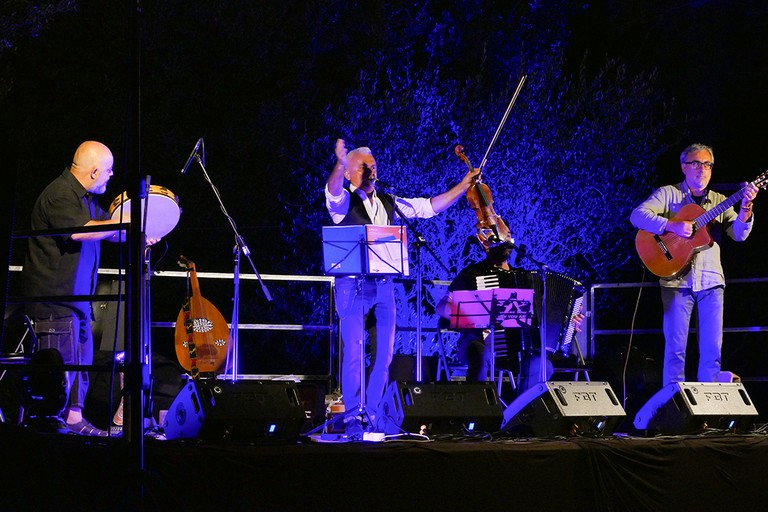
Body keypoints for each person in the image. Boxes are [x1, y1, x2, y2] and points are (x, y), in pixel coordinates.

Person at [325, 138, 479, 435]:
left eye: (373, 165)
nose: (370, 170)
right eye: (362, 166)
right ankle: (353, 416)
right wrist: (340, 162)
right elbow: (331, 192)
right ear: (348, 172)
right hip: (352, 286)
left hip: (384, 286)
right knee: (355, 351)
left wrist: (463, 185)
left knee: (384, 354)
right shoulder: (344, 199)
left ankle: (372, 415)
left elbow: (430, 207)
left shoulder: (390, 201)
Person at [22, 140, 155, 436]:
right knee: (61, 368)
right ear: (94, 172)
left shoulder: (85, 199)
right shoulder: (59, 194)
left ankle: (73, 420)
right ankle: (52, 430)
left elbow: (106, 228)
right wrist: (124, 223)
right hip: (56, 300)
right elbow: (84, 232)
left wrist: (140, 234)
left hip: (77, 301)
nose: (110, 176)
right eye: (108, 171)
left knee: (81, 363)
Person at [630, 143, 759, 386]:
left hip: (711, 282)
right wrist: (672, 226)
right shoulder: (669, 194)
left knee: (712, 352)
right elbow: (637, 216)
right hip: (675, 281)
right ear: (683, 167)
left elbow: (740, 234)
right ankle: (674, 408)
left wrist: (746, 208)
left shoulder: (720, 201)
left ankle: (708, 411)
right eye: (696, 164)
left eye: (707, 164)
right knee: (675, 351)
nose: (703, 169)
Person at [436, 243, 584, 388]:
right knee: (481, 354)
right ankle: (477, 409)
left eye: (507, 237)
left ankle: (518, 411)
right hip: (477, 342)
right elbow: (442, 307)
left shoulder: (523, 279)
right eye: (498, 238)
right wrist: (482, 315)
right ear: (485, 243)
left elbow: (543, 318)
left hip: (518, 349)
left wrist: (568, 324)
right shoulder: (472, 273)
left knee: (543, 366)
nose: (504, 242)